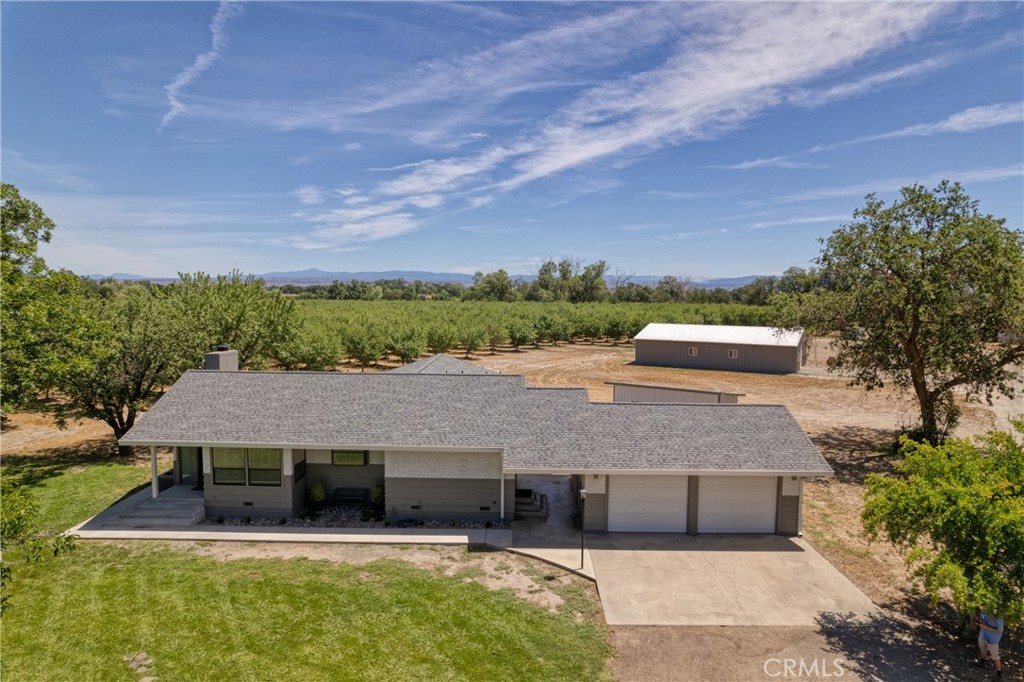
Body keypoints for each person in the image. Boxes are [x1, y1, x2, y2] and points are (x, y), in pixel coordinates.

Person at [976, 611, 1005, 678]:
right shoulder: (984, 611)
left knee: (995, 657)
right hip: (983, 636)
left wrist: (985, 627)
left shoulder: (999, 617)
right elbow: (981, 617)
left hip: (993, 640)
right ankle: (981, 663)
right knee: (983, 651)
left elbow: (1000, 630)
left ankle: (999, 674)